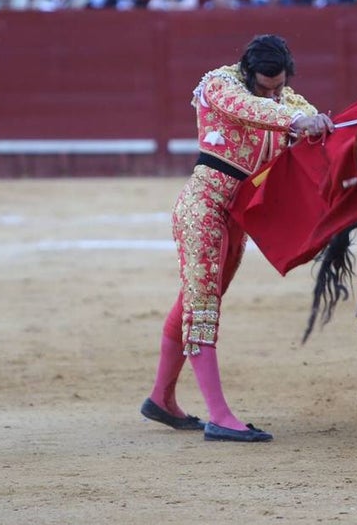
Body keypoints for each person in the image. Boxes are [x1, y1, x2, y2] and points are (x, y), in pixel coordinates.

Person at [141, 34, 335, 443]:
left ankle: (161, 398)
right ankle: (219, 416)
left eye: (280, 85)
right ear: (248, 73)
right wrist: (298, 121)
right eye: (266, 86)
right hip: (204, 209)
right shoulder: (219, 85)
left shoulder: (287, 101)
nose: (274, 93)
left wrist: (318, 124)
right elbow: (249, 108)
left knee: (195, 300)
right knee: (203, 306)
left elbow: (306, 115)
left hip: (236, 218)